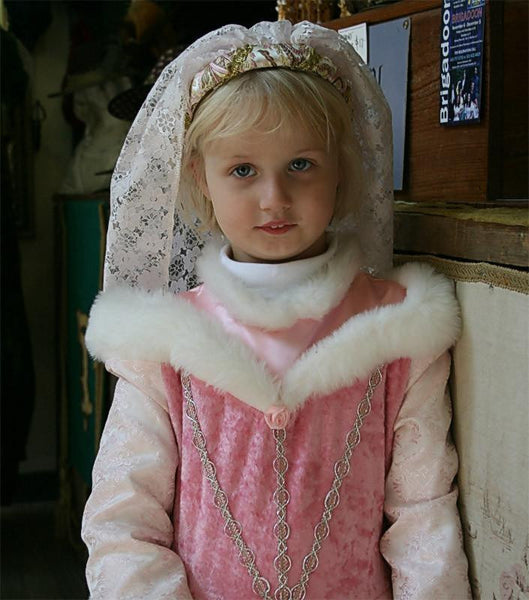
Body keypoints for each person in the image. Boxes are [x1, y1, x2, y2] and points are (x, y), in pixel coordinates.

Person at [81, 21, 471, 600]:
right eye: (242, 170)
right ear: (200, 177)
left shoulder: (397, 332)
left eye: (301, 164)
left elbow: (423, 518)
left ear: (341, 168)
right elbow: (123, 523)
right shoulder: (166, 342)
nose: (275, 199)